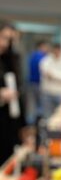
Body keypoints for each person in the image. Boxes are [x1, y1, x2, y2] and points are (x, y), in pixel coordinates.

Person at [0, 20, 26, 165]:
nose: (5, 43)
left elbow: (19, 94)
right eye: (2, 37)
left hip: (9, 122)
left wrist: (22, 126)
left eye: (9, 40)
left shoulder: (10, 60)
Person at [39, 42, 61, 119]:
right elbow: (45, 72)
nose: (57, 52)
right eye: (55, 50)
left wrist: (54, 75)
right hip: (47, 92)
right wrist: (60, 76)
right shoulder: (46, 60)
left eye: (59, 50)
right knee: (47, 116)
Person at [27, 39, 49, 124]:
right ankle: (38, 120)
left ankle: (33, 120)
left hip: (32, 82)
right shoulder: (42, 57)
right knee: (40, 103)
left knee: (34, 103)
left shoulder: (32, 56)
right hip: (39, 83)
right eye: (45, 47)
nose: (46, 49)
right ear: (41, 46)